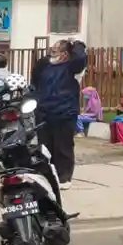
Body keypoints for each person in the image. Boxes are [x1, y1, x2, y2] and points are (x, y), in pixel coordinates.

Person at [30, 39, 87, 189]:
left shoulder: (72, 68)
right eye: (52, 50)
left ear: (65, 54)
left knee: (63, 146)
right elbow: (35, 81)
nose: (52, 53)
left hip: (64, 112)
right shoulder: (45, 66)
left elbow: (80, 58)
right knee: (45, 146)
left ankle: (64, 177)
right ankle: (47, 174)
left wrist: (77, 44)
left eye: (56, 51)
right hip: (44, 112)